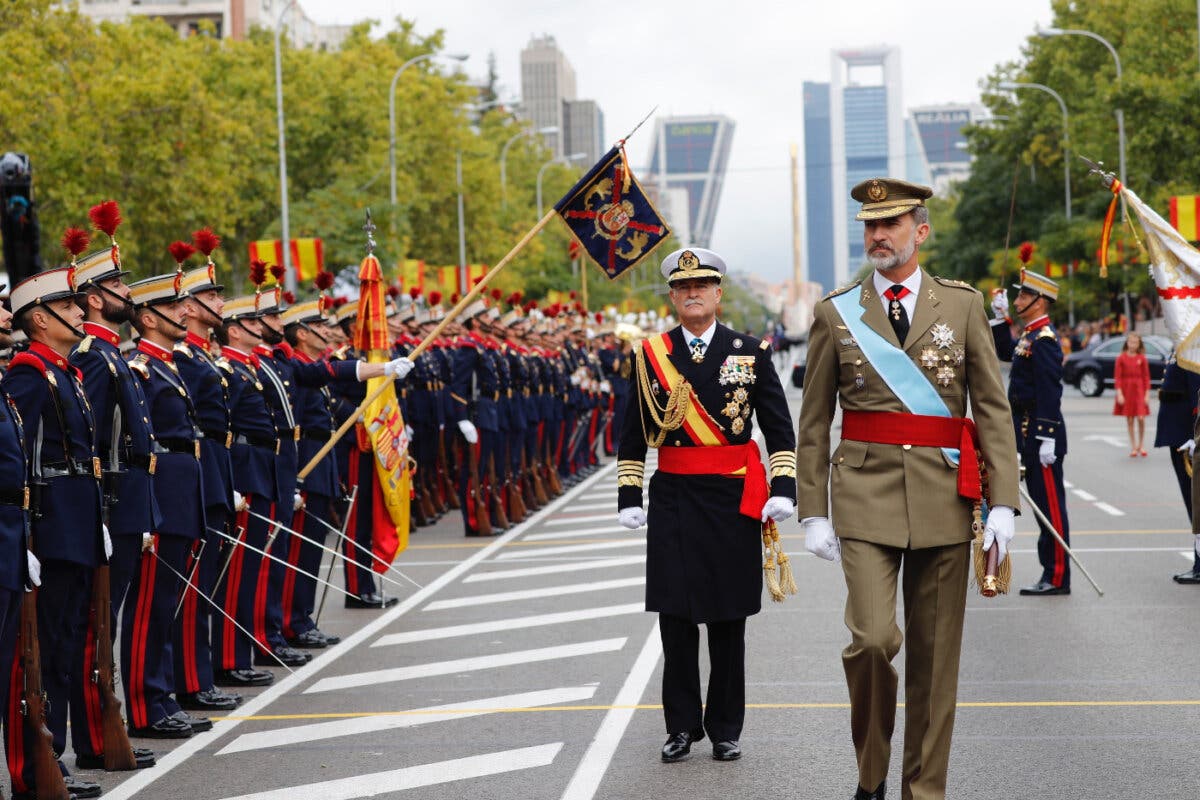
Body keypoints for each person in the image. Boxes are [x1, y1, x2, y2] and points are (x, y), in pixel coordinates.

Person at [796, 178, 1019, 800]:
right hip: (864, 495)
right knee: (871, 641)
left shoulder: (964, 305)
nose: (878, 236)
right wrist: (812, 510)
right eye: (870, 226)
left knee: (934, 660)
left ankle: (923, 790)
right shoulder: (836, 312)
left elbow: (993, 409)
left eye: (890, 225)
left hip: (946, 496)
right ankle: (871, 776)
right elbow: (813, 420)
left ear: (920, 231)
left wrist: (1002, 501)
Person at [617, 246, 797, 764]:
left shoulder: (751, 351)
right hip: (673, 498)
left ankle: (724, 727)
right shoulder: (650, 353)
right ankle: (679, 727)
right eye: (682, 287)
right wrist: (630, 494)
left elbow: (778, 431)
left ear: (718, 294)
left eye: (702, 286)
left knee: (727, 620)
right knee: (674, 619)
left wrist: (782, 488)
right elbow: (631, 434)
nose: (692, 294)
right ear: (673, 296)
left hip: (731, 498)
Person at [2, 266, 107, 800]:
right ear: (40, 318)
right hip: (50, 526)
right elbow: (17, 456)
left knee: (64, 645)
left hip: (77, 520)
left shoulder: (66, 372)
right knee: (38, 650)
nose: (80, 312)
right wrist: (30, 531)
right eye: (68, 307)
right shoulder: (29, 372)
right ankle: (34, 770)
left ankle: (55, 762)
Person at [991, 270, 1072, 596]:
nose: (1018, 300)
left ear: (1040, 302)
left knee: (1051, 509)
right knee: (1043, 507)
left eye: (1024, 297)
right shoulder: (1030, 336)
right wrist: (1000, 318)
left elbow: (1050, 391)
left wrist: (1047, 435)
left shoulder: (1045, 340)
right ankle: (1050, 572)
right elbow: (1006, 353)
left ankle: (1057, 577)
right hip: (1028, 434)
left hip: (1041, 437)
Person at [1154, 357, 1200, 583]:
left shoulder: (1194, 348)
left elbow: (1197, 391)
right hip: (1177, 433)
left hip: (1186, 436)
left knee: (1197, 505)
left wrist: (1195, 436)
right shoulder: (1183, 346)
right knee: (1192, 504)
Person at [1113, 331, 1151, 457]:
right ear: (1127, 343)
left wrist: (1147, 394)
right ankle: (1134, 446)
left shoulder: (1142, 359)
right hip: (1126, 390)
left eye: (1135, 342)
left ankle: (1141, 444)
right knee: (1130, 418)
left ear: (1139, 344)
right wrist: (1119, 393)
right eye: (1130, 342)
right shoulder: (1121, 358)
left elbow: (1146, 377)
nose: (1132, 344)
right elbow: (1117, 378)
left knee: (1141, 417)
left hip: (1139, 389)